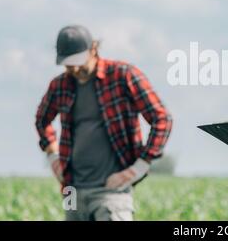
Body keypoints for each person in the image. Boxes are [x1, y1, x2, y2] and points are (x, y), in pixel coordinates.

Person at [35, 25, 172, 221]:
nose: (73, 69)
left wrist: (139, 167)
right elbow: (42, 120)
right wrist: (52, 156)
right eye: (67, 64)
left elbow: (162, 119)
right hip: (72, 190)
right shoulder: (60, 85)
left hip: (111, 192)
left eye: (77, 62)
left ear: (93, 49)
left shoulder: (123, 75)